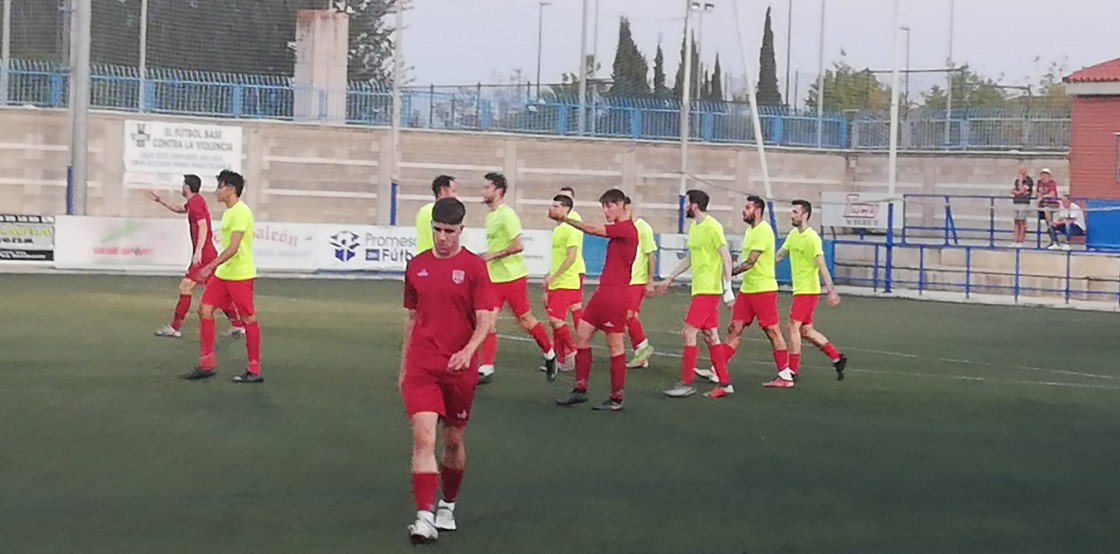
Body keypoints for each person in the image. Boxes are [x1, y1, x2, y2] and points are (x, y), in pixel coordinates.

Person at [400, 197, 496, 544]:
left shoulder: (473, 268)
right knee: (423, 436)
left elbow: (486, 319)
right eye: (438, 230)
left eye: (449, 231)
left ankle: (447, 505)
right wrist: (403, 366)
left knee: (452, 440)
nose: (443, 237)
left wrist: (469, 351)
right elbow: (411, 318)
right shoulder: (416, 266)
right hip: (422, 365)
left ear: (461, 230)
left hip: (459, 369)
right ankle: (424, 516)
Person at [553, 188, 639, 411]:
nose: (606, 211)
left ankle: (616, 398)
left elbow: (592, 229)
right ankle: (580, 388)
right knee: (582, 335)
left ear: (621, 205)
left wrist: (565, 219)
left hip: (616, 294)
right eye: (604, 206)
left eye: (609, 206)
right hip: (603, 292)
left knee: (615, 345)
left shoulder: (627, 229)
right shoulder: (621, 229)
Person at [181, 170, 263, 383]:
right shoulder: (229, 212)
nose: (216, 191)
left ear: (230, 189)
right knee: (204, 309)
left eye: (219, 186)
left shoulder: (241, 212)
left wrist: (210, 266)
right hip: (224, 274)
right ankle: (206, 363)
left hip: (240, 275)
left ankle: (254, 369)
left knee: (248, 319)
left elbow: (234, 248)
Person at [478, 172, 557, 383]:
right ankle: (486, 367)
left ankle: (550, 353)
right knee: (488, 321)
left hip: (513, 278)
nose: (483, 191)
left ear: (498, 191)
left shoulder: (507, 214)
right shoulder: (490, 216)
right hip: (494, 279)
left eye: (486, 188)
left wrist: (492, 255)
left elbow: (518, 245)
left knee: (525, 319)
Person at [657, 190, 736, 399]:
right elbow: (691, 258)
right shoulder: (694, 228)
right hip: (700, 289)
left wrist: (728, 289)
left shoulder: (713, 226)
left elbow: (726, 258)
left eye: (688, 203)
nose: (685, 207)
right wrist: (670, 277)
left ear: (695, 205)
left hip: (709, 290)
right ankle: (725, 383)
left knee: (688, 332)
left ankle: (686, 382)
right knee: (711, 336)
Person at [150, 175, 244, 339]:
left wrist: (199, 251)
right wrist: (161, 200)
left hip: (205, 254)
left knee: (185, 287)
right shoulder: (195, 202)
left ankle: (175, 327)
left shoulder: (196, 203)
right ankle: (237, 324)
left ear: (187, 187)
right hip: (207, 253)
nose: (181, 187)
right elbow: (180, 209)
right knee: (217, 292)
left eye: (182, 185)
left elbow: (202, 226)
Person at [721, 196, 791, 389]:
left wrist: (729, 273)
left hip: (763, 289)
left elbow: (751, 262)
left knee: (772, 331)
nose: (744, 211)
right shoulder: (749, 230)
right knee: (734, 328)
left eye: (747, 207)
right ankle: (717, 369)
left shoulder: (764, 230)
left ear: (757, 210)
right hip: (748, 289)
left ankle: (785, 375)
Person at [775, 200, 847, 385]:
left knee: (792, 326)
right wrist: (760, 264)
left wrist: (831, 290)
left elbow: (822, 266)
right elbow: (780, 255)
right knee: (806, 330)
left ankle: (792, 370)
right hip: (800, 290)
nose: (791, 215)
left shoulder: (812, 237)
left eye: (795, 212)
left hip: (808, 290)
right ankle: (837, 357)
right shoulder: (793, 235)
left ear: (805, 214)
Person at [543, 194, 583, 372]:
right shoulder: (559, 228)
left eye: (557, 206)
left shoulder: (570, 227)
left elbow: (571, 257)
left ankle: (572, 352)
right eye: (552, 206)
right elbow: (558, 258)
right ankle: (562, 359)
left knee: (555, 319)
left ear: (567, 209)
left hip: (566, 282)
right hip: (558, 282)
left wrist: (555, 276)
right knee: (556, 321)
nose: (552, 209)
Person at [625, 197, 657, 369]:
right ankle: (640, 354)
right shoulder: (623, 227)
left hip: (636, 280)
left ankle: (643, 348)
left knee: (629, 315)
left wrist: (650, 280)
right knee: (628, 316)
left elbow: (651, 254)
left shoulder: (643, 228)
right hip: (624, 280)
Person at [558, 186, 586, 323]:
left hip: (573, 270)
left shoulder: (573, 219)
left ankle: (574, 341)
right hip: (569, 268)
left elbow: (571, 252)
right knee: (574, 307)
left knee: (566, 308)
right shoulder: (563, 220)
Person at [415, 175, 459, 255]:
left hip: (422, 255)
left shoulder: (423, 210)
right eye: (453, 191)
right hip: (435, 257)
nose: (455, 196)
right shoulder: (442, 212)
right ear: (443, 190)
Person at [1036, 168, 1060, 248]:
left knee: (1047, 213)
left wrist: (1042, 196)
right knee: (1046, 217)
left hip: (1052, 204)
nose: (1044, 177)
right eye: (1042, 175)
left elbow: (1052, 194)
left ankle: (1053, 236)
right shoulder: (1039, 183)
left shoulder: (1052, 183)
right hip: (1043, 205)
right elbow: (1037, 193)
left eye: (1046, 175)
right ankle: (1053, 239)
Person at [1011, 165, 1034, 247]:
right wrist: (1018, 191)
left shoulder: (1029, 180)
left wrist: (1020, 183)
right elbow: (1013, 190)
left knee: (1022, 222)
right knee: (1016, 222)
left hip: (1024, 202)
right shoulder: (1016, 180)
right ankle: (1015, 240)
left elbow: (1023, 190)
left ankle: (1021, 241)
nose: (1021, 171)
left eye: (1022, 170)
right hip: (1016, 202)